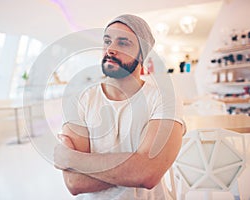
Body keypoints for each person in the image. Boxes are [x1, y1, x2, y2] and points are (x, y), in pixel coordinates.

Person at [54, 14, 185, 200]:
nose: (111, 50)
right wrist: (135, 168)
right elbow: (75, 182)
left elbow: (148, 174)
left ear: (142, 54)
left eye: (123, 43)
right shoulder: (80, 100)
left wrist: (70, 159)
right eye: (107, 41)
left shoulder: (163, 98)